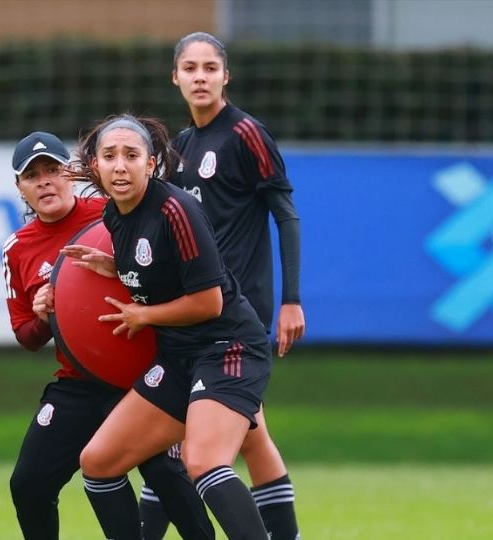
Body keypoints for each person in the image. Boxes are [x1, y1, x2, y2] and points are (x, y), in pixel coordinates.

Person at [60, 113, 272, 539]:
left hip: (228, 349)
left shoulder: (177, 209)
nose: (120, 165)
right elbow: (157, 269)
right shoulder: (115, 215)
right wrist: (116, 267)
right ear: (96, 166)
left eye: (131, 155)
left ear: (152, 163)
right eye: (109, 156)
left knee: (204, 462)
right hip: (177, 358)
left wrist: (143, 316)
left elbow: (209, 302)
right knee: (98, 463)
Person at [2, 131, 214, 540]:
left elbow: (169, 278)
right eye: (32, 176)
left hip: (141, 378)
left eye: (53, 170)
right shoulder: (17, 248)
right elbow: (26, 337)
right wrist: (43, 313)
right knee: (28, 483)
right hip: (78, 383)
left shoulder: (112, 213)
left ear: (73, 173)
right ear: (20, 188)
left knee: (165, 474)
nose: (44, 181)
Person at [140, 31, 306, 540]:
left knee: (177, 444)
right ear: (175, 77)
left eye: (210, 68)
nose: (200, 77)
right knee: (252, 436)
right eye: (190, 68)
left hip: (238, 318)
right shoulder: (182, 146)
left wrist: (291, 301)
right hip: (198, 311)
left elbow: (286, 216)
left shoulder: (247, 134)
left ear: (225, 76)